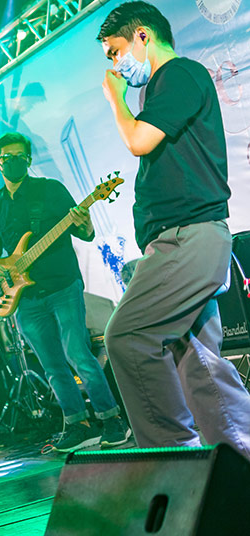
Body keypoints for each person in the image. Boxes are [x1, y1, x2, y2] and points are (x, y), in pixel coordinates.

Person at [97, 1, 250, 458]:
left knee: (127, 337)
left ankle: (173, 459)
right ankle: (238, 459)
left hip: (186, 237)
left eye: (115, 51)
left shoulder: (178, 74)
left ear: (142, 36)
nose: (115, 65)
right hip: (191, 238)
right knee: (200, 362)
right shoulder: (165, 87)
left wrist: (115, 100)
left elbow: (138, 140)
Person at [0, 132, 130, 452]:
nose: (15, 162)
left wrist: (85, 222)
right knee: (52, 366)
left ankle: (112, 420)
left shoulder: (50, 189)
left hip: (62, 285)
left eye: (21, 157)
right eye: (8, 158)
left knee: (78, 354)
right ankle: (78, 425)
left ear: (29, 160)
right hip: (26, 297)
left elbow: (84, 233)